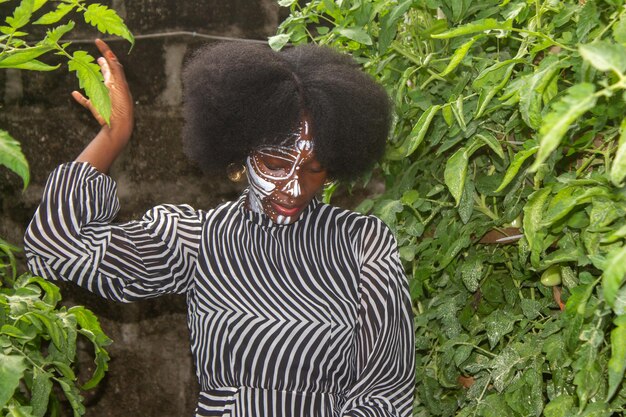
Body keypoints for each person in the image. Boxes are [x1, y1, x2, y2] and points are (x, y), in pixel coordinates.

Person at [24, 39, 415, 417]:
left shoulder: (361, 244)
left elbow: (386, 392)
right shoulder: (198, 239)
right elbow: (57, 249)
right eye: (276, 165)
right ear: (239, 156)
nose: (296, 188)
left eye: (315, 169)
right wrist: (114, 136)